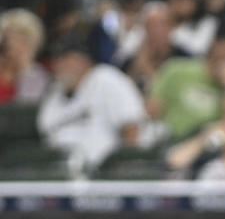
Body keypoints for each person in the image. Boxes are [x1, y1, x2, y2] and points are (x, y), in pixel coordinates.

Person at [38, 29, 147, 172]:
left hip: (105, 177)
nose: (60, 65)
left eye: (66, 59)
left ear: (85, 60)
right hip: (64, 177)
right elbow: (47, 133)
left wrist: (122, 171)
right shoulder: (54, 93)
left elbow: (132, 129)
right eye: (58, 60)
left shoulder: (106, 79)